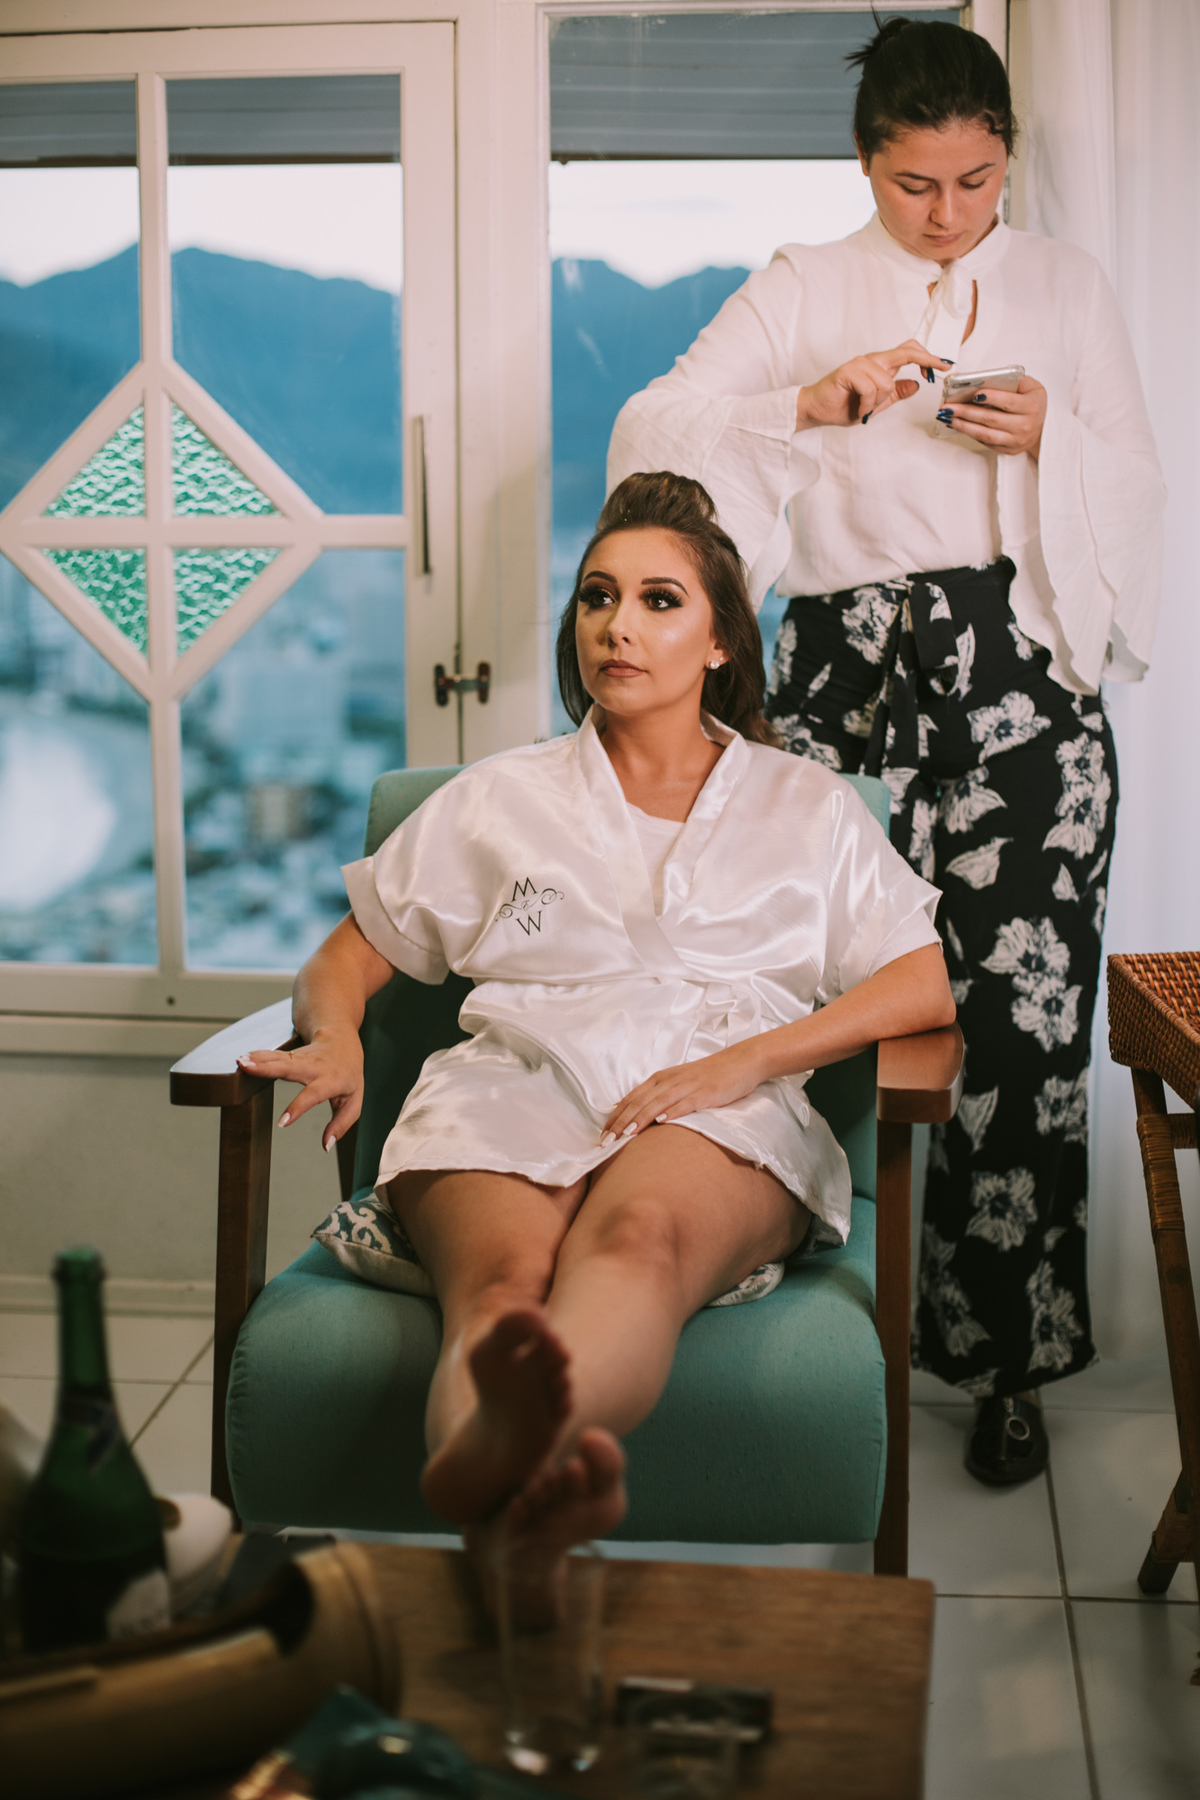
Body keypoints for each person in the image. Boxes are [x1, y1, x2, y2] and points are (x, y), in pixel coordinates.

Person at [608, 17, 1165, 1486]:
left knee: (1023, 1033)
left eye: (978, 181)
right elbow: (650, 429)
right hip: (844, 684)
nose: (949, 213)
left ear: (1008, 158)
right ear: (867, 164)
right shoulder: (805, 285)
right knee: (813, 1009)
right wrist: (807, 402)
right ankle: (796, 1346)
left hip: (1025, 690)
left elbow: (1142, 479)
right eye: (918, 184)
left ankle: (1007, 1364)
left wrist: (1050, 439)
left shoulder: (1067, 283)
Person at [240, 472, 954, 1566]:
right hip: (508, 1086)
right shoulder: (499, 797)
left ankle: (499, 1483)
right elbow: (348, 956)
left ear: (721, 642)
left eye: (660, 601)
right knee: (498, 1292)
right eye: (597, 597)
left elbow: (919, 984)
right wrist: (333, 1034)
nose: (618, 625)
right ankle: (516, 1506)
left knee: (637, 1243)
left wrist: (745, 1063)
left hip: (714, 1102)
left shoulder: (805, 804)